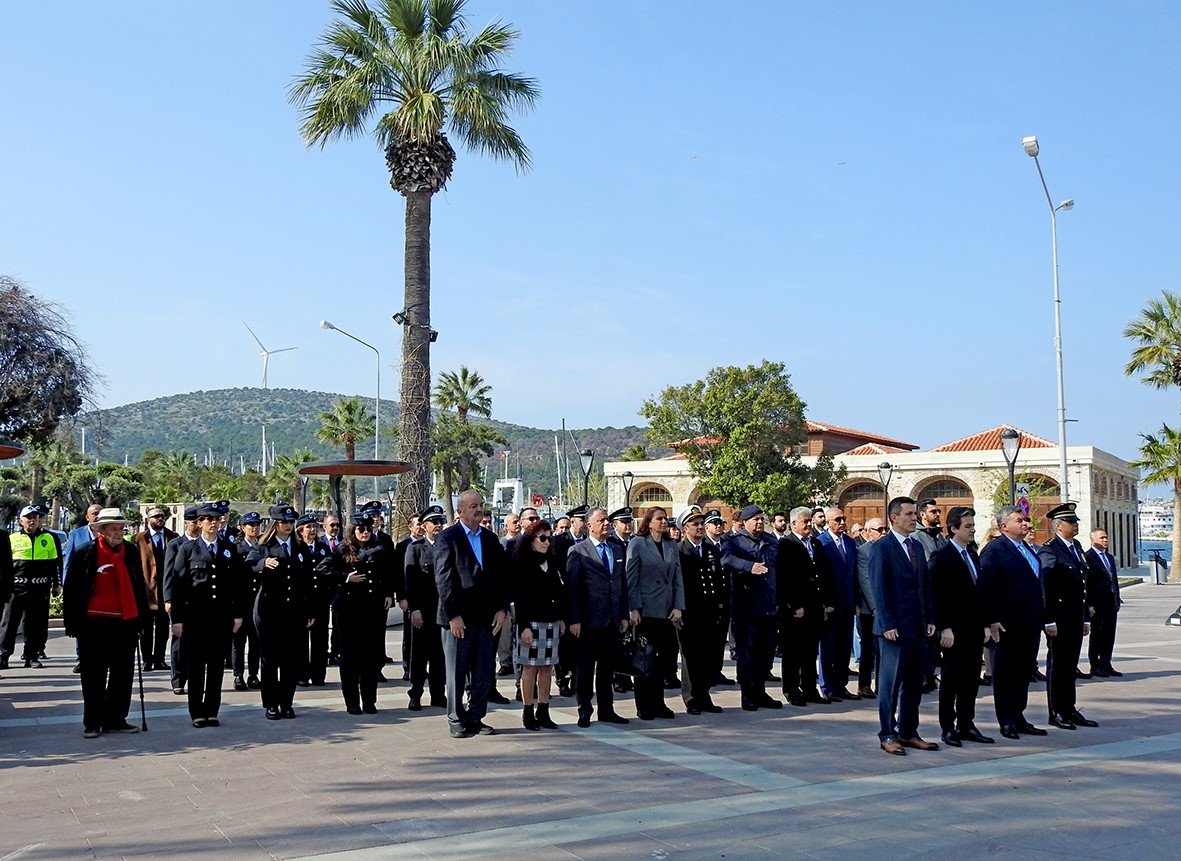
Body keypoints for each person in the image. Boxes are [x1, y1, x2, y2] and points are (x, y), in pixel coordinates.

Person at [62, 508, 150, 738]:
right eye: (114, 528)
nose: (119, 532)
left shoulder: (130, 551)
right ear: (100, 530)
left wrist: (141, 618)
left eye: (122, 528)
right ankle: (92, 721)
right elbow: (71, 589)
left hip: (124, 622)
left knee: (122, 674)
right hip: (93, 623)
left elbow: (138, 585)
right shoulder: (86, 552)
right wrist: (72, 622)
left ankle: (116, 718)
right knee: (93, 675)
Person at [434, 490, 509, 738]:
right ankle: (456, 718)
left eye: (481, 505)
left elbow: (500, 577)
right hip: (459, 618)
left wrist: (502, 608)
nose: (479, 509)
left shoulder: (489, 538)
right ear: (460, 511)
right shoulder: (448, 538)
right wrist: (453, 614)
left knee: (483, 670)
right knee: (456, 671)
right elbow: (444, 579)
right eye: (473, 506)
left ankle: (475, 716)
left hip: (486, 618)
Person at [166, 504, 247, 727]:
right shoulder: (188, 549)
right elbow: (179, 585)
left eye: (217, 519)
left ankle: (212, 710)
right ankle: (196, 712)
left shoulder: (229, 549)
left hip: (220, 618)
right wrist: (178, 619)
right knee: (196, 666)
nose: (213, 523)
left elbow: (237, 585)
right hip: (195, 618)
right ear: (199, 523)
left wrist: (238, 614)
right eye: (208, 519)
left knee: (216, 667)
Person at [870, 496, 938, 755]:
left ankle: (909, 731)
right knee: (890, 685)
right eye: (909, 514)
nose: (913, 518)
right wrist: (887, 622)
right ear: (894, 517)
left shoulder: (917, 547)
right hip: (893, 630)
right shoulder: (883, 547)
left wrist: (930, 619)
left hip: (917, 627)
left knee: (914, 684)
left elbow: (924, 587)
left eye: (915, 513)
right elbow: (879, 587)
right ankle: (888, 733)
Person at [978, 505, 1048, 740]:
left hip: (1029, 622)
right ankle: (1006, 719)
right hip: (1007, 623)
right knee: (1006, 673)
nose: (1025, 523)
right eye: (1019, 520)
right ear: (1004, 525)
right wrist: (992, 619)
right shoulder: (994, 549)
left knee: (1023, 671)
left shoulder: (1026, 548)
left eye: (1025, 519)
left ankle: (1019, 716)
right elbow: (987, 587)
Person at [929, 506, 993, 746]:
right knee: (951, 680)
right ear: (953, 528)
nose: (972, 530)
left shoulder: (972, 554)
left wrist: (986, 624)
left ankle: (967, 723)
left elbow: (980, 592)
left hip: (974, 629)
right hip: (954, 631)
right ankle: (948, 727)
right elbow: (937, 595)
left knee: (970, 680)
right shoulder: (942, 556)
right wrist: (944, 627)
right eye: (967, 527)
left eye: (973, 526)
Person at [247, 504, 316, 720]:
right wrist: (262, 563)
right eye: (284, 522)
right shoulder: (263, 546)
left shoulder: (300, 548)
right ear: (276, 524)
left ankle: (286, 702)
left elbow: (308, 582)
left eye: (290, 522)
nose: (288, 525)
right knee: (269, 660)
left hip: (293, 611)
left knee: (290, 661)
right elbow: (249, 564)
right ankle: (271, 703)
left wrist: (310, 609)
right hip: (269, 611)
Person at [566, 507, 630, 727]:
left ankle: (607, 709)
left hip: (611, 620)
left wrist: (623, 614)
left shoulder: (616, 549)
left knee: (607, 668)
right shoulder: (578, 551)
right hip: (588, 621)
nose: (606, 524)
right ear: (589, 525)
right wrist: (574, 619)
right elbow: (573, 589)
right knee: (585, 668)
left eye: (607, 520)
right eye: (601, 521)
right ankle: (584, 709)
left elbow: (621, 584)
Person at [1037, 503, 1098, 730]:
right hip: (1059, 618)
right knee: (1058, 666)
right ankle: (1057, 712)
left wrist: (1084, 618)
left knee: (1070, 665)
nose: (1075, 525)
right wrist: (1049, 619)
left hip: (1074, 616)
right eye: (1071, 522)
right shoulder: (1050, 549)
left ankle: (1070, 709)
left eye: (1075, 522)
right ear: (1058, 526)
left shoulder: (1076, 547)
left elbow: (1083, 584)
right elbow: (1047, 586)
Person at [323, 516, 392, 714]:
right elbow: (323, 569)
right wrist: (345, 578)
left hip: (373, 608)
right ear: (353, 530)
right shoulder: (343, 549)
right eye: (360, 529)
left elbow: (388, 573)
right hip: (349, 608)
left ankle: (369, 701)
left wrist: (388, 593)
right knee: (350, 657)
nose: (365, 532)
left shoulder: (379, 549)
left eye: (368, 528)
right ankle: (352, 701)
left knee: (371, 657)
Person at [625, 506, 684, 720]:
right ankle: (644, 705)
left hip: (667, 611)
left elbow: (677, 577)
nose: (663, 522)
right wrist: (633, 607)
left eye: (665, 518)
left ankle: (659, 703)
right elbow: (631, 578)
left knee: (664, 660)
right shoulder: (638, 543)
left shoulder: (670, 545)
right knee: (645, 659)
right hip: (646, 610)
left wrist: (678, 606)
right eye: (659, 518)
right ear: (648, 522)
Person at [721, 504, 782, 711]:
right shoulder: (734, 541)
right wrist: (749, 567)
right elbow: (726, 559)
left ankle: (760, 692)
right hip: (746, 605)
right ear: (744, 522)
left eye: (761, 519)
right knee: (747, 653)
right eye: (754, 519)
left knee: (765, 652)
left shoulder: (771, 541)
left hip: (768, 604)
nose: (759, 523)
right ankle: (748, 695)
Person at [509, 517, 565, 730]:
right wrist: (522, 626)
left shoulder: (552, 562)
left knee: (547, 667)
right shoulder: (522, 563)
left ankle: (543, 709)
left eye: (549, 538)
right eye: (542, 538)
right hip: (530, 622)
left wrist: (560, 617)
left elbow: (560, 593)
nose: (547, 542)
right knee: (530, 668)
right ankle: (527, 710)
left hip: (550, 621)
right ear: (531, 539)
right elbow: (519, 598)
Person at [676, 506, 729, 715]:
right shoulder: (679, 551)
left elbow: (720, 581)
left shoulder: (710, 550)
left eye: (701, 523)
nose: (699, 527)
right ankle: (691, 698)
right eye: (695, 524)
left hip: (711, 611)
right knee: (691, 657)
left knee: (710, 656)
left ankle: (704, 695)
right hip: (690, 612)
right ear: (685, 528)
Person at [778, 506, 832, 706]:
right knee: (793, 652)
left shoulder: (816, 544)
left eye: (810, 521)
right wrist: (793, 605)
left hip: (814, 606)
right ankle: (792, 690)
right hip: (796, 608)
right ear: (794, 524)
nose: (809, 525)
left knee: (810, 651)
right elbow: (785, 578)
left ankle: (810, 688)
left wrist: (826, 602)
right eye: (805, 522)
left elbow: (824, 573)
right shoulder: (787, 545)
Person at [2, 505, 62, 669]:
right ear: (21, 521)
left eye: (35, 517)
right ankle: (3, 655)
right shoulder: (12, 538)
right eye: (28, 517)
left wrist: (56, 584)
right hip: (17, 588)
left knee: (35, 624)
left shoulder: (48, 538)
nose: (32, 520)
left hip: (40, 588)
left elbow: (54, 564)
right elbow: (6, 565)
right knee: (9, 624)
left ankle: (32, 656)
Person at [403, 505, 447, 710]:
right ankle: (416, 694)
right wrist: (415, 609)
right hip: (424, 610)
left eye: (441, 522)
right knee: (419, 656)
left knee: (440, 656)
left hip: (444, 611)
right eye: (434, 522)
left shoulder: (448, 545)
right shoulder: (416, 548)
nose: (438, 526)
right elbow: (410, 581)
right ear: (425, 525)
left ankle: (438, 694)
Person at [817, 506, 860, 701]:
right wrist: (825, 602)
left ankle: (841, 684)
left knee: (844, 646)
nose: (842, 523)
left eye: (843, 519)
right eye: (838, 520)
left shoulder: (850, 543)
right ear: (827, 522)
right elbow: (821, 576)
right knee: (828, 646)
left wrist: (857, 601)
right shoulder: (821, 543)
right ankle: (827, 686)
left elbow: (854, 574)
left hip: (848, 602)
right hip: (831, 604)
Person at [133, 507, 176, 673]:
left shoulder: (172, 537)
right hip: (146, 590)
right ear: (148, 519)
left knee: (163, 627)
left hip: (166, 589)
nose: (160, 519)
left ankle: (159, 659)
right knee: (146, 628)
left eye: (162, 516)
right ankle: (147, 659)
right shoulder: (139, 539)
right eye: (156, 516)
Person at [164, 506, 199, 695]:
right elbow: (169, 574)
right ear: (186, 522)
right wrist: (168, 598)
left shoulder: (204, 544)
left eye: (198, 522)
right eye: (193, 522)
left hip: (199, 603)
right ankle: (178, 679)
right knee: (179, 641)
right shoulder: (176, 544)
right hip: (180, 600)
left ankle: (193, 677)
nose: (196, 525)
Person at [297, 513, 333, 687]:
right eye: (308, 527)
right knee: (301, 640)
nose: (312, 530)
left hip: (320, 599)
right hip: (301, 600)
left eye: (314, 527)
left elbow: (328, 568)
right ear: (300, 530)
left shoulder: (323, 547)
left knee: (320, 640)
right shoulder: (296, 548)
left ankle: (319, 674)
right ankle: (302, 674)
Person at [854, 517, 887, 698]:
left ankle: (883, 684)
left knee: (885, 649)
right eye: (879, 530)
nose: (883, 533)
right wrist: (876, 606)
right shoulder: (863, 551)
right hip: (869, 609)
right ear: (868, 532)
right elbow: (865, 580)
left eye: (885, 529)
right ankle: (864, 684)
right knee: (868, 647)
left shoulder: (888, 548)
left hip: (887, 607)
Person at [1085, 528, 1123, 677]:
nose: (1105, 540)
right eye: (1101, 538)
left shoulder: (1109, 557)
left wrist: (1117, 599)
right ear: (1093, 539)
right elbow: (1087, 583)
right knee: (1097, 635)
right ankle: (1095, 665)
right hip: (1097, 603)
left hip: (1110, 603)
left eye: (1106, 537)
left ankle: (1106, 663)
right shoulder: (1088, 557)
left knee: (1109, 634)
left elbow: (1114, 580)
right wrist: (1089, 604)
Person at [232, 511, 263, 691]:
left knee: (256, 641)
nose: (254, 528)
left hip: (258, 601)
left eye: (257, 525)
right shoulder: (236, 548)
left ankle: (253, 674)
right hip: (241, 601)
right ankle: (238, 675)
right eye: (250, 525)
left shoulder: (262, 547)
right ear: (243, 528)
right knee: (238, 641)